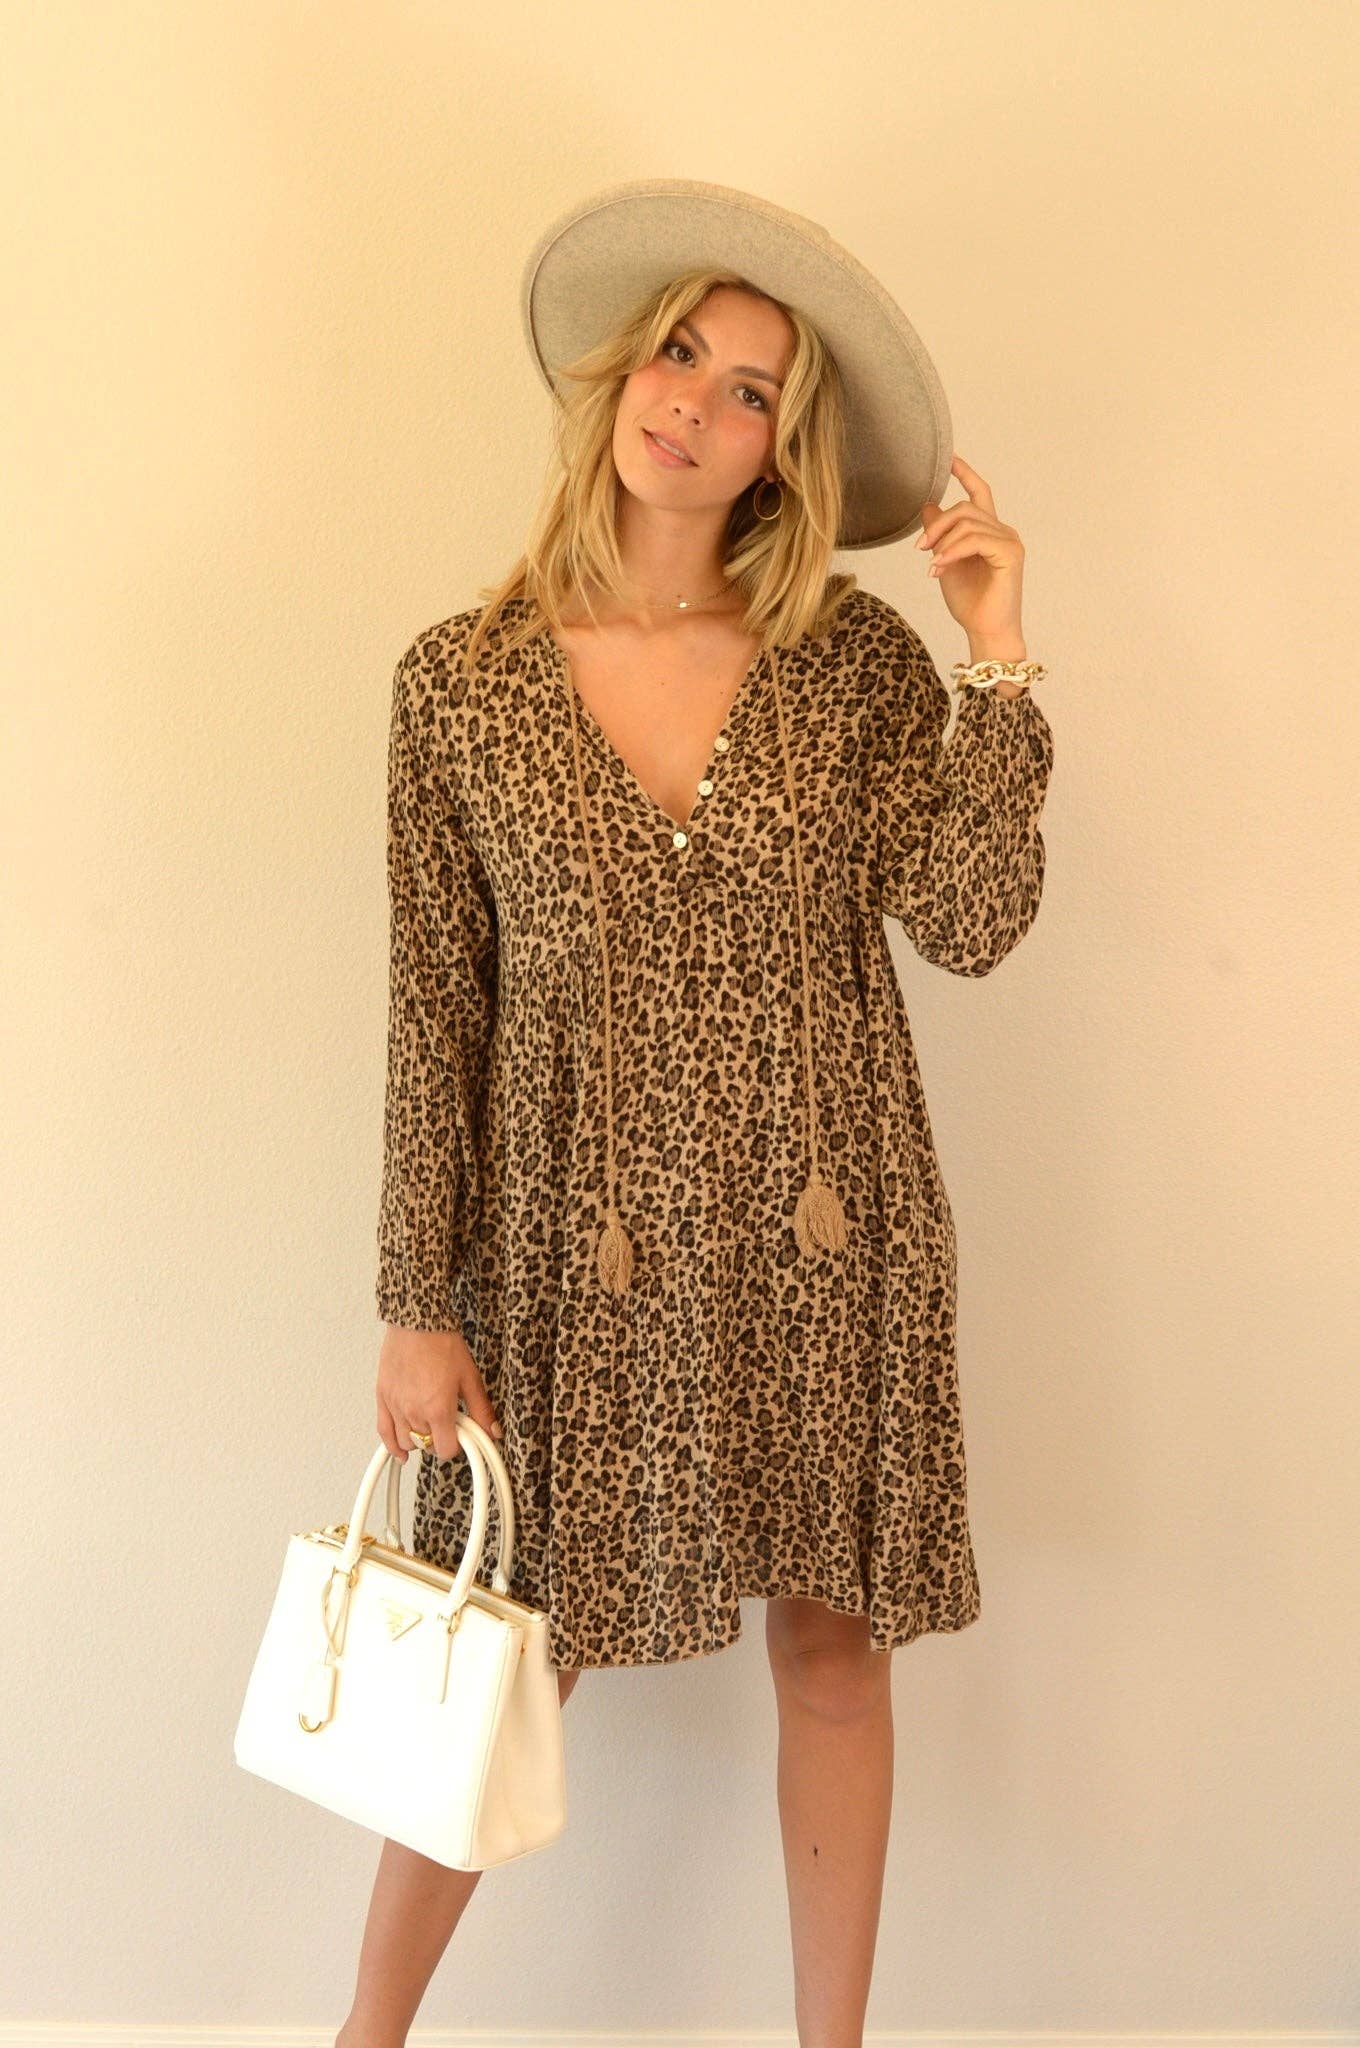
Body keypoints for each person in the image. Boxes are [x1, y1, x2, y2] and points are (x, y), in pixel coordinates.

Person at [339, 179, 1054, 2048]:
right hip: (571, 1251)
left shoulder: (852, 664)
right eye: (680, 354)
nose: (696, 404)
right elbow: (436, 1010)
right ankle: (362, 2038)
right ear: (618, 375)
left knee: (832, 1648)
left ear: (778, 452)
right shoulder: (460, 685)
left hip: (825, 1232)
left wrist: (995, 648)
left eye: (752, 392)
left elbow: (974, 921)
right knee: (503, 1658)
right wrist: (416, 1300)